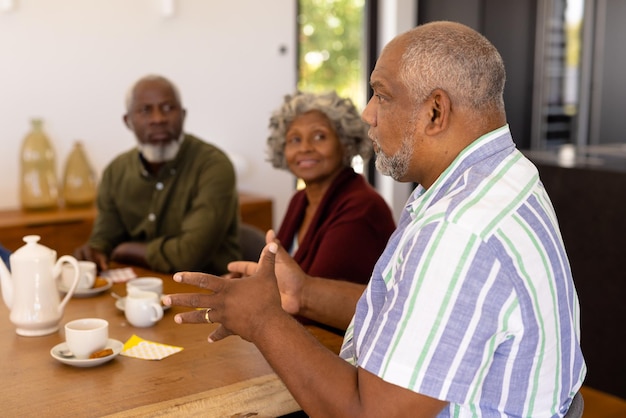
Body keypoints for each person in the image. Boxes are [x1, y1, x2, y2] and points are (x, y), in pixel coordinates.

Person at [164, 21, 586, 417]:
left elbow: (368, 412)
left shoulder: (458, 230)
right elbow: (411, 310)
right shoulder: (499, 176)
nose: (368, 113)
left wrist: (263, 320)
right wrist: (304, 293)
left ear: (435, 112)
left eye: (381, 95)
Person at [74, 75, 240, 275]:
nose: (158, 119)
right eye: (145, 110)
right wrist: (95, 251)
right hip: (141, 289)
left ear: (183, 115)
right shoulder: (115, 172)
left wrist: (126, 250)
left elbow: (188, 256)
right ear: (128, 121)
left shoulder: (213, 166)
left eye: (168, 108)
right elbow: (104, 239)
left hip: (210, 291)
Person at [267, 91, 395, 284]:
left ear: (346, 143)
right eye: (295, 139)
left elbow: (314, 299)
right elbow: (273, 275)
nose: (305, 148)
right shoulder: (300, 200)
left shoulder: (362, 208)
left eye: (319, 137)